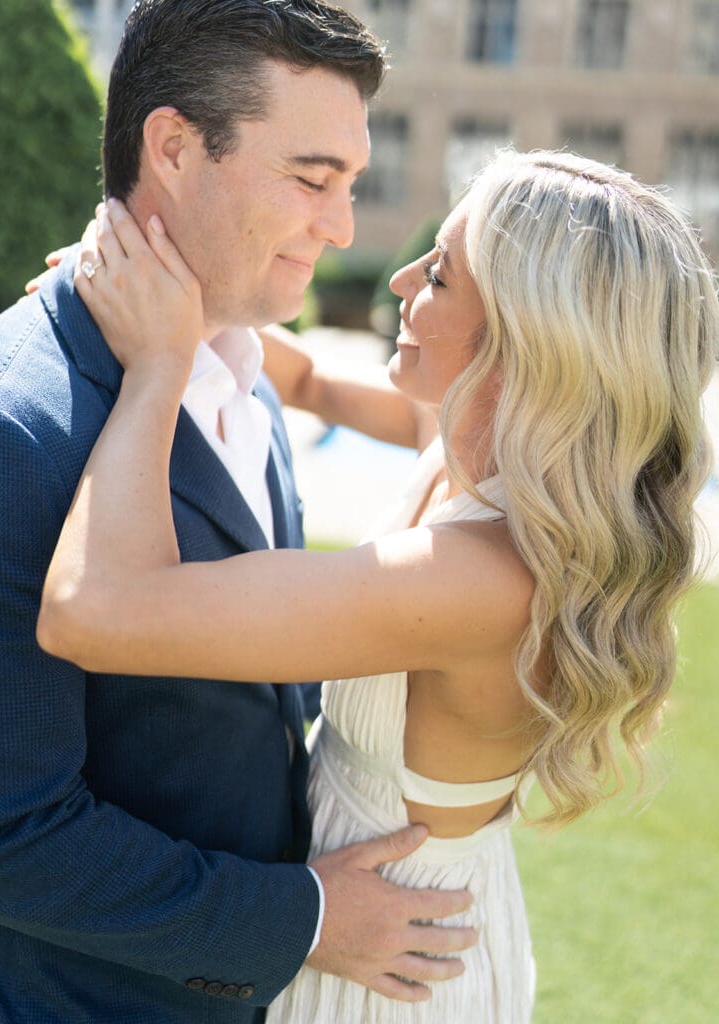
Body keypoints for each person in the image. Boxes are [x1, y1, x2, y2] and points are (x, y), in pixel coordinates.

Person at [37, 148, 719, 1022]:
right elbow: (313, 378)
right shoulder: (484, 449)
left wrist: (159, 367)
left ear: (522, 343)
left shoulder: (473, 582)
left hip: (388, 955)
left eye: (437, 274)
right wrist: (184, 291)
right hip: (388, 910)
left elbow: (97, 612)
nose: (397, 277)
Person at [0, 2, 480, 1022]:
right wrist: (309, 918)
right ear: (173, 147)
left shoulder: (241, 362)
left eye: (352, 186)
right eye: (311, 180)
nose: (341, 228)